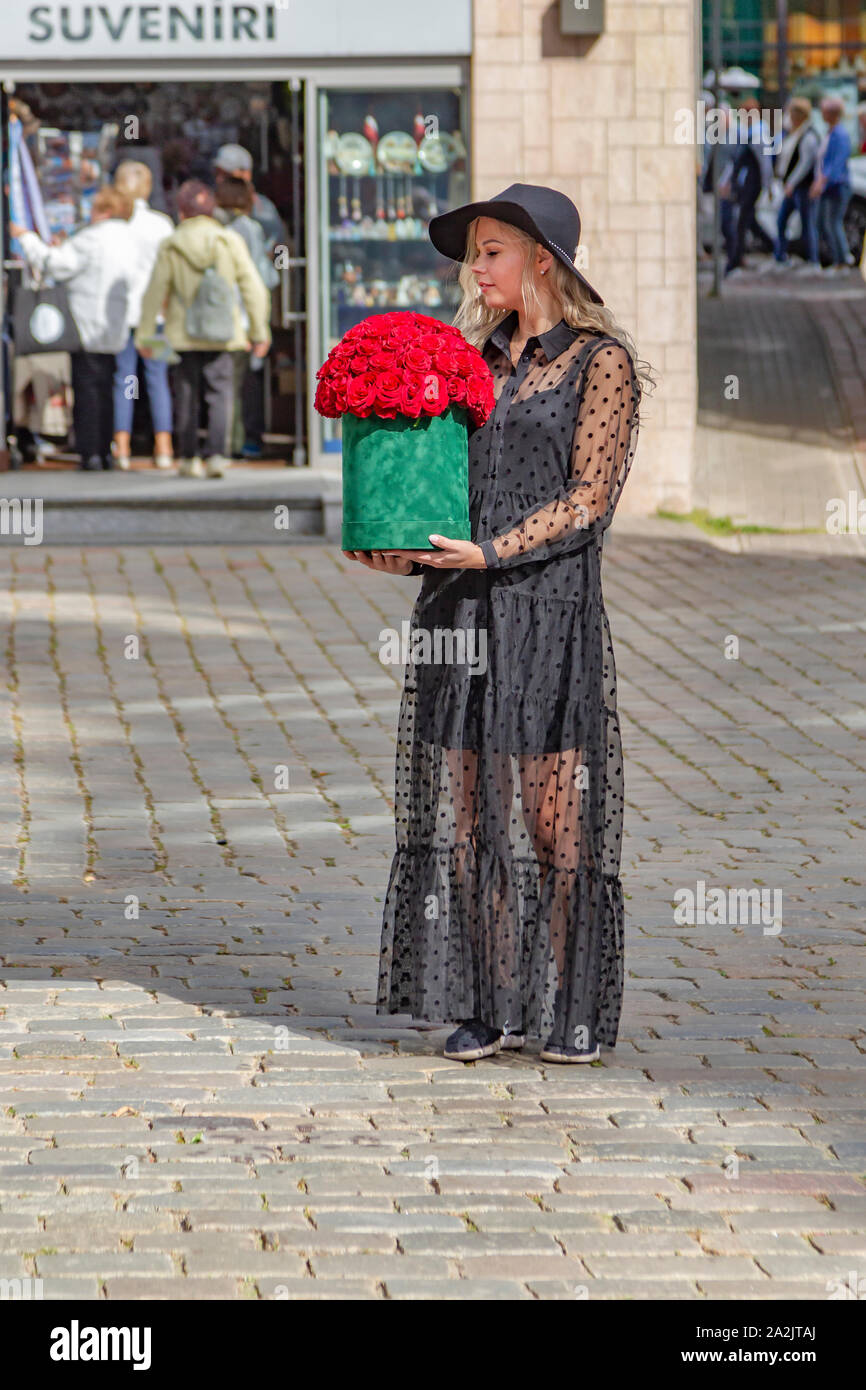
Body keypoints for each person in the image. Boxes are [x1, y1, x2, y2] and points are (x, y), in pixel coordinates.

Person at [345, 183, 647, 1064]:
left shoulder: (601, 364)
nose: (473, 269)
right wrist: (400, 544)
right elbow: (434, 484)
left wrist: (495, 550)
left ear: (540, 261)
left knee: (555, 824)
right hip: (458, 606)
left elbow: (591, 501)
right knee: (471, 815)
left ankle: (569, 1006)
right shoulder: (471, 362)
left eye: (489, 252)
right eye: (472, 253)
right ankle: (491, 1003)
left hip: (546, 608)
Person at [135, 180, 271, 479]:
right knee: (221, 394)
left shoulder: (172, 245)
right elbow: (253, 287)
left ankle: (188, 458)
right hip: (223, 334)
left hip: (182, 334)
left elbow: (155, 292)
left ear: (182, 212)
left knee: (185, 394)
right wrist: (260, 331)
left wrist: (145, 333)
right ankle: (216, 456)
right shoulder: (228, 241)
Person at [11, 187, 136, 471]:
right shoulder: (128, 239)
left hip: (86, 324)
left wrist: (27, 238)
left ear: (104, 211)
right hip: (113, 327)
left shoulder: (92, 239)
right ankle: (105, 451)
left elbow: (55, 265)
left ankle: (90, 452)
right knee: (107, 390)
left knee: (88, 391)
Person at [213, 145, 284, 459]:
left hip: (246, 305)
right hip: (233, 307)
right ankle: (232, 438)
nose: (220, 180)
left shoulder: (260, 211)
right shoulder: (215, 215)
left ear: (244, 174)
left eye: (226, 174)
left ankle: (245, 437)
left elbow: (274, 253)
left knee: (246, 377)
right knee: (230, 376)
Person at [111, 161, 174, 469]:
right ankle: (164, 446)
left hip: (121, 315)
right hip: (155, 316)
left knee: (123, 379)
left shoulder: (112, 225)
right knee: (157, 379)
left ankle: (121, 447)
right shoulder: (161, 225)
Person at [773, 98, 820, 272]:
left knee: (807, 223)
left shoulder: (808, 136)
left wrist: (791, 182)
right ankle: (780, 256)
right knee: (781, 221)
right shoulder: (794, 133)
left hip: (802, 187)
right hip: (792, 186)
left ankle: (813, 260)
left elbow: (805, 164)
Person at [812, 96, 853, 273]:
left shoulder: (840, 134)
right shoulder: (831, 132)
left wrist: (822, 181)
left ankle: (842, 260)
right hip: (830, 185)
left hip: (837, 185)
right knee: (823, 222)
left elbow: (836, 163)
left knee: (833, 222)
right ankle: (839, 259)